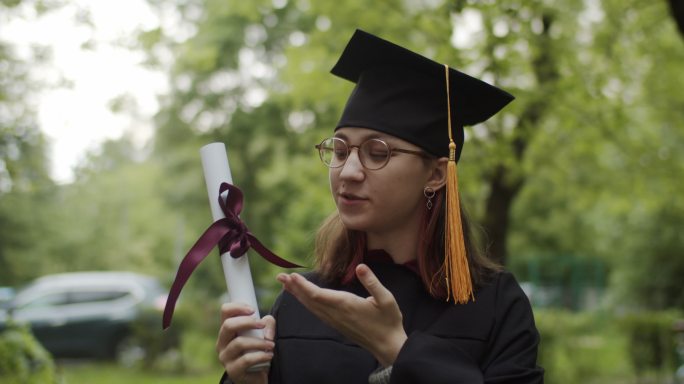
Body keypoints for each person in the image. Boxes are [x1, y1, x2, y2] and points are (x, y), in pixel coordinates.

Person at [216, 29, 544, 384]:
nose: (348, 172)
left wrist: (397, 351)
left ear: (435, 174)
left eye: (377, 153)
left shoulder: (495, 306)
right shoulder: (303, 302)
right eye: (340, 151)